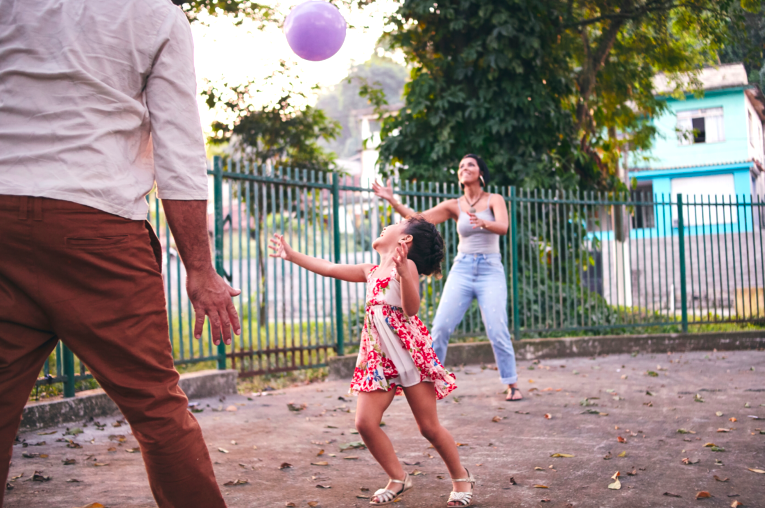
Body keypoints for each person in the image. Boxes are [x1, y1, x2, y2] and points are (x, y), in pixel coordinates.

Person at [0, 1, 240, 507]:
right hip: (97, 228)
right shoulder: (155, 15)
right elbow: (180, 150)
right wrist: (200, 269)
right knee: (156, 408)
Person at [269, 217, 477, 507]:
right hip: (378, 359)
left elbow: (411, 308)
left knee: (428, 427)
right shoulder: (370, 270)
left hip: (409, 355)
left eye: (397, 223)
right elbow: (329, 267)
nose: (387, 224)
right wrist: (292, 256)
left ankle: (460, 477)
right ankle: (397, 477)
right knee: (365, 423)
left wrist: (404, 271)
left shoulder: (408, 267)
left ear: (406, 241)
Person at [372, 154, 522, 401]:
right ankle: (429, 382)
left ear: (480, 172)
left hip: (490, 269)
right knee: (440, 327)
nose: (465, 168)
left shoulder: (495, 199)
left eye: (470, 164)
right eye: (461, 166)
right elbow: (418, 219)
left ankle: (512, 383)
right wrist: (393, 201)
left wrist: (483, 222)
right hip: (462, 269)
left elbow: (504, 227)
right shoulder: (455, 205)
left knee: (497, 329)